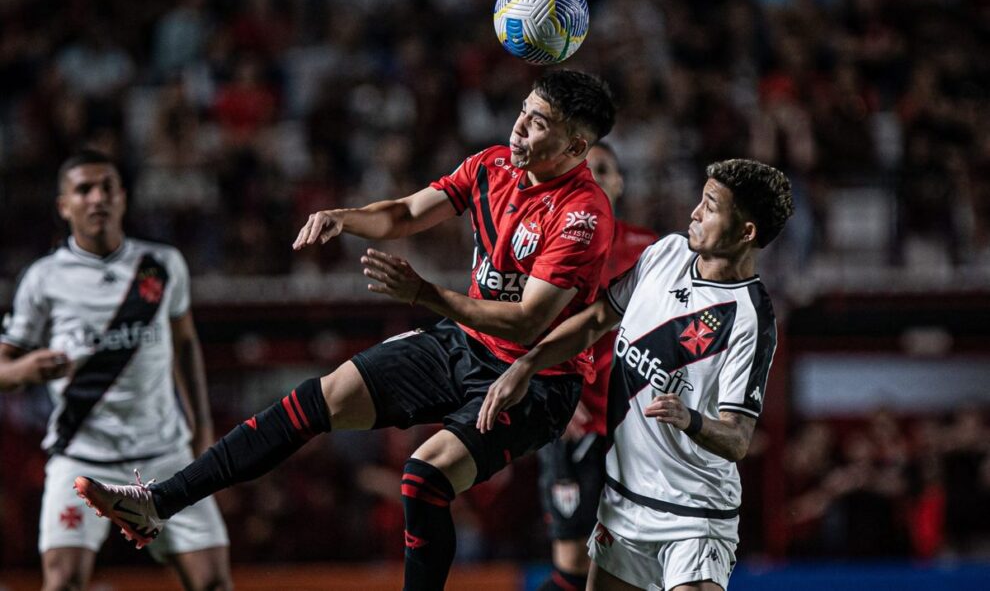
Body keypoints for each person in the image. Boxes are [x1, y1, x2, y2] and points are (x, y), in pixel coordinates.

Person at [75, 69, 617, 591]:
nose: (520, 126)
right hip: (467, 343)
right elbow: (405, 212)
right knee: (318, 399)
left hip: (538, 379)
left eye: (539, 121)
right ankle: (156, 504)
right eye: (524, 111)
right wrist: (345, 216)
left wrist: (424, 294)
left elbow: (528, 320)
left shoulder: (582, 214)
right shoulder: (490, 166)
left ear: (574, 147)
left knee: (423, 478)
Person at [479, 159, 794, 591]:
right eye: (700, 199)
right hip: (624, 504)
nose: (694, 213)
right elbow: (595, 321)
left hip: (694, 516)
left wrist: (691, 420)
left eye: (710, 205)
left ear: (746, 232)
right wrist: (528, 363)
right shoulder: (665, 254)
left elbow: (738, 439)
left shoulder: (748, 320)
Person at [0, 149, 231, 591]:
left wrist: (201, 427)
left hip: (165, 454)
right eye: (83, 189)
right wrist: (27, 367)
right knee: (63, 582)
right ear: (64, 205)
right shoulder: (43, 278)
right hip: (82, 457)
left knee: (213, 584)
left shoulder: (162, 265)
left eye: (107, 187)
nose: (97, 197)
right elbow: (3, 367)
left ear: (123, 198)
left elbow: (185, 344)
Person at [536, 142, 657, 591]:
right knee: (571, 568)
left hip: (634, 430)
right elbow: (517, 331)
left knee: (628, 569)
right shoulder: (549, 248)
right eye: (584, 172)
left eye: (603, 170)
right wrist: (551, 397)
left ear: (620, 182)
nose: (594, 178)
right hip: (574, 423)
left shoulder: (653, 252)